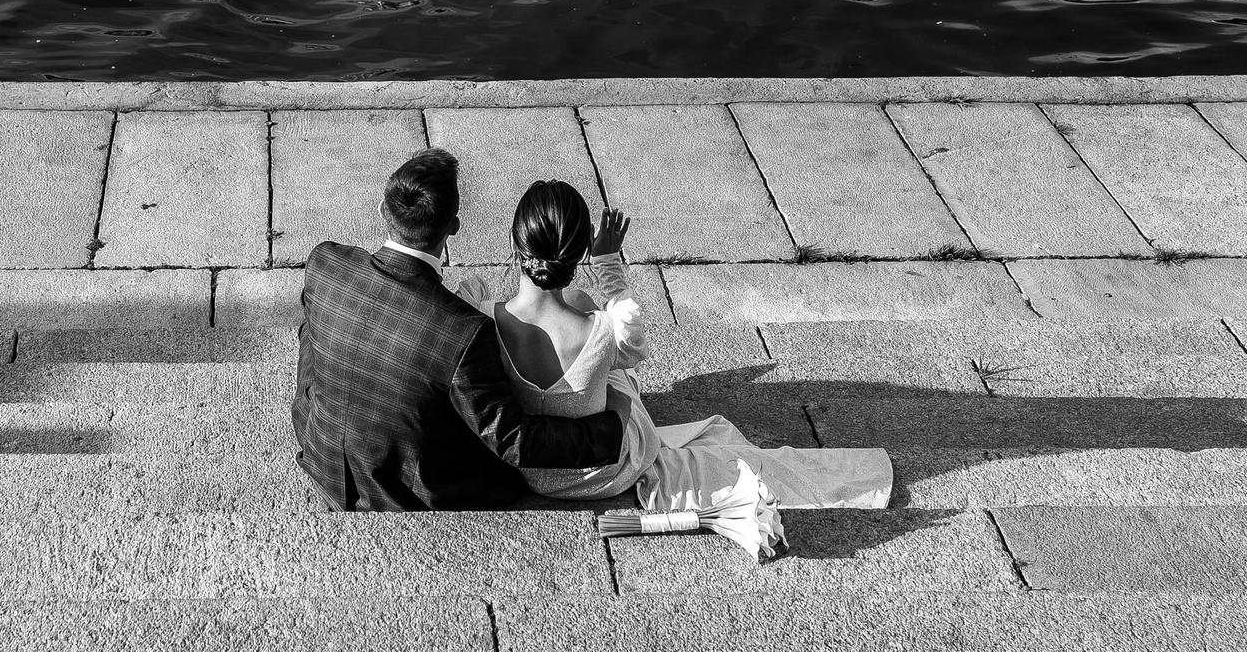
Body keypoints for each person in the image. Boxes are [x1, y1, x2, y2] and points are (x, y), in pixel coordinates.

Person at [492, 179, 895, 560]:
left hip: (533, 471)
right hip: (608, 470)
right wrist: (608, 261)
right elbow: (631, 344)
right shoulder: (604, 330)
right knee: (616, 370)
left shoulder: (486, 323)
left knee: (600, 355)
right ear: (579, 254)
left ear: (515, 243)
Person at [292, 149, 625, 510]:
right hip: (402, 496)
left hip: (322, 461)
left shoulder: (326, 263)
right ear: (454, 227)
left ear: (382, 209)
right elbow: (512, 439)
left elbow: (309, 343)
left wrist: (309, 409)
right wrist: (613, 426)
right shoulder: (463, 332)